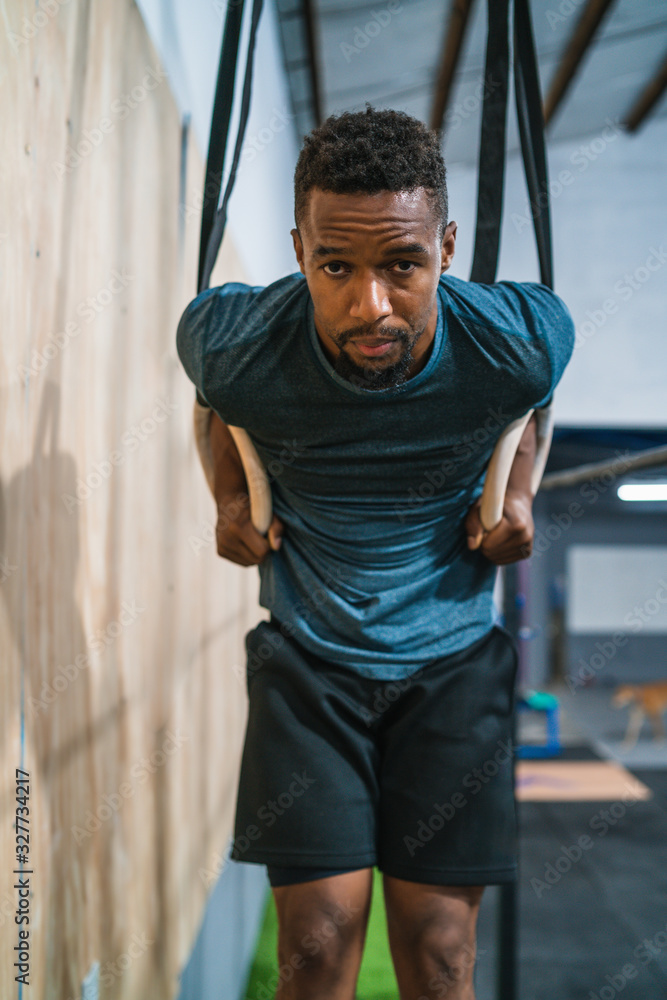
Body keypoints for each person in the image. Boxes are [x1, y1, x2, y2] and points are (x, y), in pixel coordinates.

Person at [176, 106, 574, 999]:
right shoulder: (235, 343)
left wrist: (517, 494)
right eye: (334, 267)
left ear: (448, 247)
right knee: (315, 950)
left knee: (440, 955)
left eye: (403, 265)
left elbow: (536, 399)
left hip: (454, 660)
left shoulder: (514, 340)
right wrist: (229, 499)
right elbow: (211, 401)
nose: (370, 306)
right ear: (297, 249)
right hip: (308, 663)